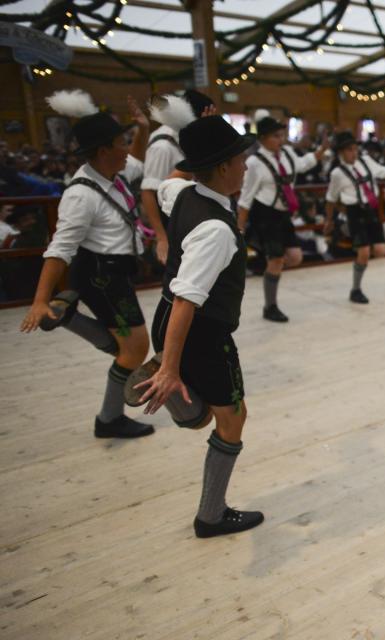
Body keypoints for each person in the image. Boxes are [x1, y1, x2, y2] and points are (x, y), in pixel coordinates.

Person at [131, 115, 266, 538]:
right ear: (224, 167)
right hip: (201, 333)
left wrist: (193, 137)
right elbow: (189, 299)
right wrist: (172, 366)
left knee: (218, 414)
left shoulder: (182, 192)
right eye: (241, 158)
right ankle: (210, 516)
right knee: (231, 419)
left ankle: (178, 390)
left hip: (165, 316)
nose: (246, 165)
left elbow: (167, 180)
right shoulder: (216, 230)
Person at [20, 89, 153, 439]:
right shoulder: (80, 195)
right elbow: (59, 249)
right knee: (136, 350)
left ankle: (69, 319)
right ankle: (109, 419)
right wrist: (39, 300)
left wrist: (142, 129)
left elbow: (137, 162)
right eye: (121, 142)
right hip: (101, 275)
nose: (127, 148)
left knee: (130, 348)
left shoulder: (116, 173)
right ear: (102, 151)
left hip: (114, 271)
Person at [237, 110, 325, 322]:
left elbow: (303, 164)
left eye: (281, 135)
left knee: (295, 257)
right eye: (276, 136)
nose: (281, 140)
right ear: (263, 138)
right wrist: (239, 228)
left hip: (283, 214)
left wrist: (321, 151)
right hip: (264, 214)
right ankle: (270, 306)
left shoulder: (286, 154)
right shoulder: (255, 163)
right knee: (276, 260)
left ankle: (265, 265)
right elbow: (245, 198)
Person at [323, 131, 385, 304]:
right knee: (364, 252)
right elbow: (330, 198)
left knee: (381, 251)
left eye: (355, 149)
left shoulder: (365, 162)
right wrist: (329, 220)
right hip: (354, 212)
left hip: (371, 210)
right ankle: (356, 289)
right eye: (349, 150)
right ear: (340, 153)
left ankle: (360, 258)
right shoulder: (337, 173)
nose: (354, 153)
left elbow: (382, 171)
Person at [141, 90, 215, 265]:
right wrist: (162, 237)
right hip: (169, 222)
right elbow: (148, 192)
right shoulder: (163, 146)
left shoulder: (186, 136)